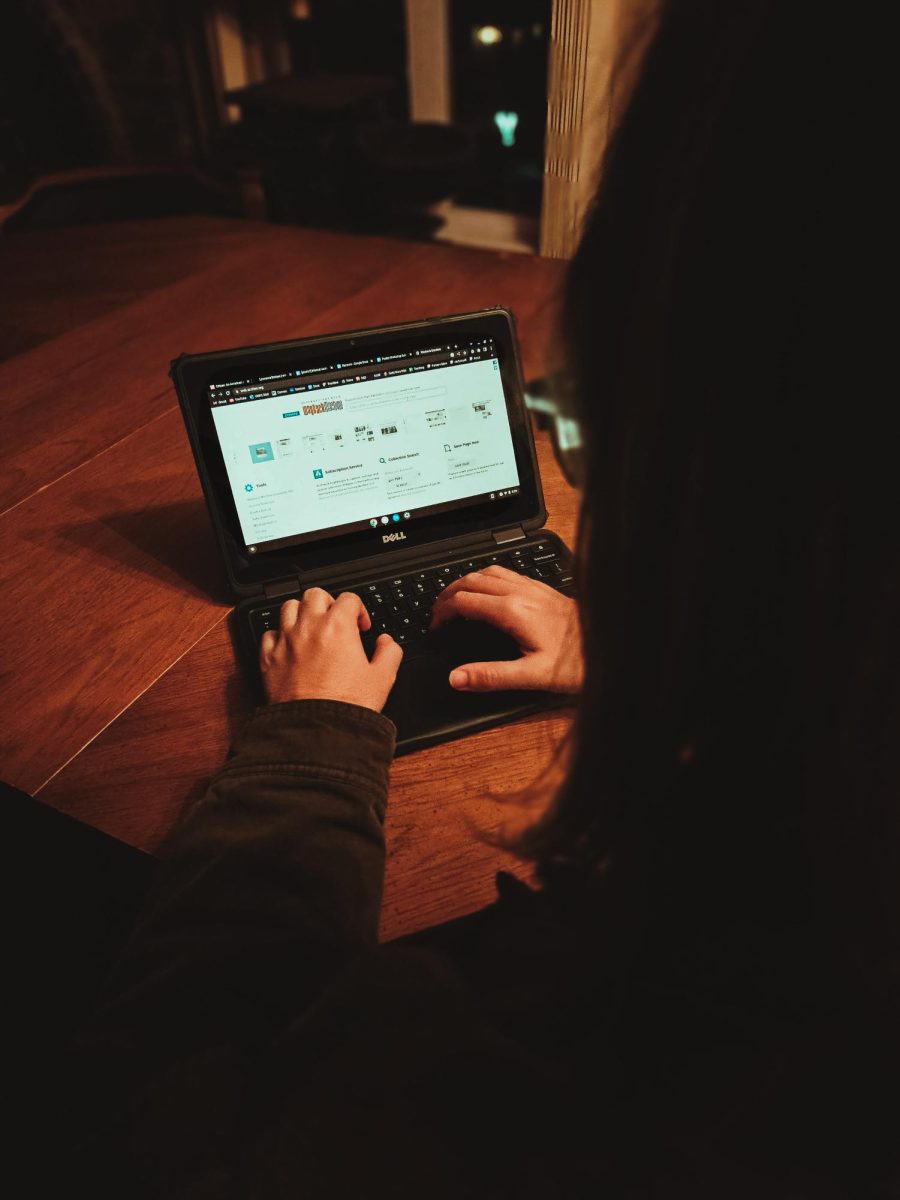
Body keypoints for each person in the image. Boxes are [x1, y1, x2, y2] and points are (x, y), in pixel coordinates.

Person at [71, 2, 897, 1195]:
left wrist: (309, 750)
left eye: (577, 417)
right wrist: (644, 669)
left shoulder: (511, 1078)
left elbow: (150, 1115)